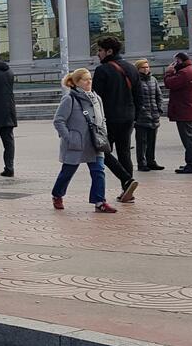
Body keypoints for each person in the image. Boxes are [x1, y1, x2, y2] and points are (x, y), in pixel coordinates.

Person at [52, 68, 119, 214]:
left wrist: (104, 134)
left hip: (95, 142)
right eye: (85, 79)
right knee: (68, 171)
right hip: (76, 143)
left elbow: (102, 120)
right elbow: (58, 121)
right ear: (76, 82)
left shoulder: (96, 98)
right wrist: (69, 137)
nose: (89, 82)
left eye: (90, 79)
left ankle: (100, 201)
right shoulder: (70, 99)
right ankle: (57, 194)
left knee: (99, 171)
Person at [91, 37, 138, 202]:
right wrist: (135, 116)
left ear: (109, 51)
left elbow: (96, 98)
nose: (98, 54)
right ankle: (127, 191)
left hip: (109, 118)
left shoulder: (102, 70)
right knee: (124, 152)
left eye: (100, 50)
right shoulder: (132, 68)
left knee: (102, 151)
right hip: (128, 117)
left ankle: (126, 179)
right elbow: (138, 95)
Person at [164, 51, 192, 174]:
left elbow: (169, 83)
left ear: (179, 61)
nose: (173, 64)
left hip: (184, 110)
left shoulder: (184, 73)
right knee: (191, 137)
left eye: (175, 62)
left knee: (188, 138)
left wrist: (168, 72)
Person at [133, 58, 165, 171]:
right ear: (138, 69)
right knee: (141, 142)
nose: (146, 69)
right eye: (143, 67)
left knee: (152, 141)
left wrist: (159, 108)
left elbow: (159, 95)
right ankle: (141, 163)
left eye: (147, 67)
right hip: (141, 117)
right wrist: (139, 111)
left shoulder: (153, 80)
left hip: (154, 115)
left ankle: (151, 161)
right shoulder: (135, 81)